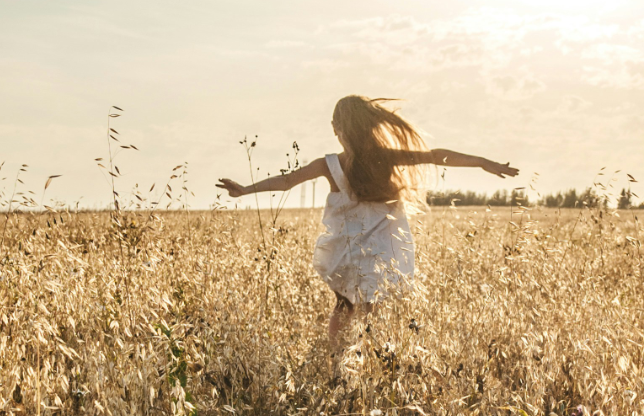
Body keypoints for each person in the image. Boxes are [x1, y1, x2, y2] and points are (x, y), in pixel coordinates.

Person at [217, 95, 518, 356]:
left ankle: (338, 357)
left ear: (336, 128)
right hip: (383, 243)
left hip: (346, 244)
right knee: (371, 306)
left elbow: (286, 182)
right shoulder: (383, 158)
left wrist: (245, 190)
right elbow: (436, 156)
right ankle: (367, 358)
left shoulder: (329, 164)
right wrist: (482, 162)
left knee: (344, 305)